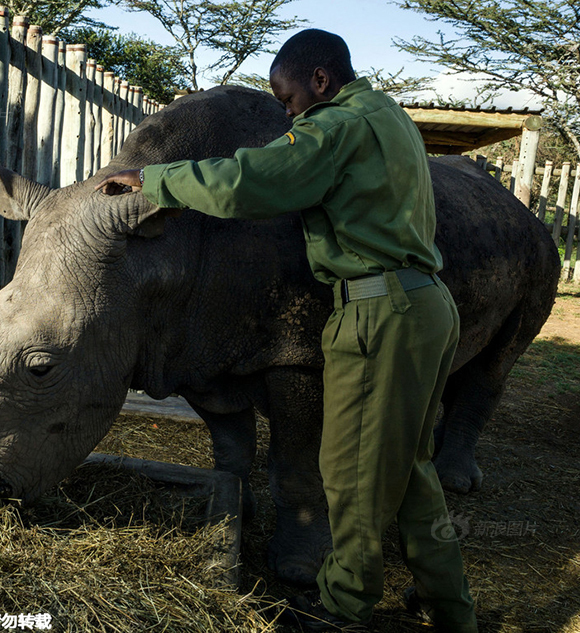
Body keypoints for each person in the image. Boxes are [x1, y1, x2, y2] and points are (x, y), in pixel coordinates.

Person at [97, 28, 478, 633]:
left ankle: (341, 608)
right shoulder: (391, 117)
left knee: (350, 470)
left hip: (378, 312)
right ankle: (448, 604)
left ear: (320, 81)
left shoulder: (336, 126)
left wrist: (158, 180)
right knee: (407, 467)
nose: (284, 111)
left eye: (288, 96)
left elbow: (256, 179)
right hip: (425, 305)